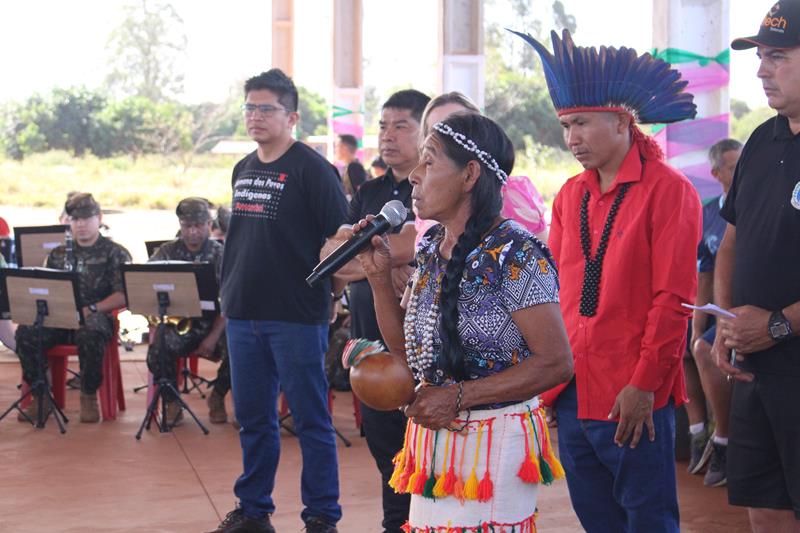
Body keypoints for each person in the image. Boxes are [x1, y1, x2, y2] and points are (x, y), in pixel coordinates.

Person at [515, 29, 701, 532]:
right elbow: (552, 293)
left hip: (634, 394)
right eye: (565, 126)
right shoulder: (569, 195)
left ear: (620, 122)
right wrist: (549, 384)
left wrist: (644, 384)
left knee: (648, 519)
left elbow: (675, 300)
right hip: (573, 390)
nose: (571, 139)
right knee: (596, 520)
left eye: (580, 124)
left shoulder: (670, 191)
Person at [356, 112, 573, 532]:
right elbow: (407, 350)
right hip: (435, 436)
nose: (415, 177)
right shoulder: (432, 245)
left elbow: (557, 362)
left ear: (470, 174)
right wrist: (379, 279)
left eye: (430, 161)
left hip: (496, 441)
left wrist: (457, 397)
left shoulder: (517, 254)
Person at [208, 69, 348, 533]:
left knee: (310, 421)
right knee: (253, 420)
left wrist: (333, 294)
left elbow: (340, 241)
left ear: (292, 116)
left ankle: (322, 517)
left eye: (266, 108)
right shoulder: (243, 166)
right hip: (244, 314)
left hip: (295, 315)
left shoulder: (313, 169)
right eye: (249, 107)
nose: (255, 116)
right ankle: (253, 511)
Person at [321, 89, 428, 533]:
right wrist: (380, 265)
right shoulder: (370, 191)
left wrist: (367, 257)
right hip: (371, 347)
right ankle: (394, 525)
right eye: (383, 126)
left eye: (401, 125)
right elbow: (331, 256)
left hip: (422, 353)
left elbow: (414, 249)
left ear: (427, 130)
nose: (388, 135)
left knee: (425, 454)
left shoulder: (432, 188)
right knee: (386, 451)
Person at [714, 3, 800, 530]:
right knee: (764, 506)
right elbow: (732, 240)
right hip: (755, 366)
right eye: (760, 57)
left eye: (778, 57)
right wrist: (727, 322)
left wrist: (777, 323)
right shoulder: (762, 142)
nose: (762, 70)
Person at [15, 193, 131, 423]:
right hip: (59, 317)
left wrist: (93, 309)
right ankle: (41, 396)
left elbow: (124, 295)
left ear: (99, 218)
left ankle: (88, 395)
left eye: (86, 218)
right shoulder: (58, 254)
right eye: (75, 219)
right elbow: (45, 287)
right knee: (26, 332)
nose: (81, 224)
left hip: (96, 317)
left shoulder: (115, 252)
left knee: (91, 330)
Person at [416, 92, 551, 244]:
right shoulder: (426, 206)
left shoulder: (514, 198)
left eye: (461, 125)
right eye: (437, 130)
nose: (446, 137)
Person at [685, 139, 742, 486]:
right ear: (716, 172)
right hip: (716, 307)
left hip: (745, 308)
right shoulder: (707, 213)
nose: (740, 172)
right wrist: (695, 325)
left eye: (742, 164)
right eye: (733, 166)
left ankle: (724, 440)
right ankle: (696, 434)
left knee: (703, 348)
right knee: (683, 343)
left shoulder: (755, 205)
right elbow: (705, 273)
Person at [147, 197, 230, 425]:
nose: (192, 231)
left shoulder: (221, 254)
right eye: (187, 226)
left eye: (198, 226)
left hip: (217, 325)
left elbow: (232, 301)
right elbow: (145, 283)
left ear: (208, 225)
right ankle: (172, 402)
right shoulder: (166, 251)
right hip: (181, 324)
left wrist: (213, 337)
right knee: (158, 349)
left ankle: (218, 395)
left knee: (243, 347)